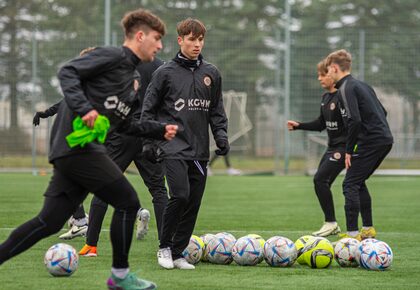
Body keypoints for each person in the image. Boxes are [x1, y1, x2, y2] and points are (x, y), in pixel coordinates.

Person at [0, 9, 177, 290]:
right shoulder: (113, 57)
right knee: (128, 201)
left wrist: (159, 130)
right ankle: (120, 277)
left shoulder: (130, 79)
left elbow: (125, 124)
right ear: (140, 36)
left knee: (49, 221)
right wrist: (83, 110)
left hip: (77, 151)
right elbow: (67, 71)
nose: (160, 46)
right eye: (157, 39)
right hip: (77, 147)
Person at [141, 18, 229, 270]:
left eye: (200, 39)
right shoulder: (164, 73)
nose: (196, 44)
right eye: (191, 39)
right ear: (180, 40)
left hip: (199, 151)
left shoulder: (211, 73)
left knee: (193, 201)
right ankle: (164, 248)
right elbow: (148, 110)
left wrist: (221, 135)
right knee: (179, 194)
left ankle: (178, 253)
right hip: (172, 147)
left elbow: (216, 110)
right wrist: (149, 142)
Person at [78, 57, 168, 257]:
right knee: (159, 189)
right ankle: (165, 245)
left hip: (124, 134)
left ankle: (91, 245)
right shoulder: (162, 66)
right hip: (148, 132)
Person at [326, 49, 393, 241]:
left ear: (334, 68)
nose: (328, 74)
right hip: (384, 139)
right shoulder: (362, 85)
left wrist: (349, 150)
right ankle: (368, 229)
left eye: (328, 70)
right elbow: (383, 112)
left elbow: (354, 120)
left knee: (350, 183)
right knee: (358, 180)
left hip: (372, 141)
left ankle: (352, 236)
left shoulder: (345, 88)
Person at [287, 59, 346, 237]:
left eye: (323, 75)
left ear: (333, 74)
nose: (319, 78)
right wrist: (299, 125)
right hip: (332, 147)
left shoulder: (344, 96)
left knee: (320, 180)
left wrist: (354, 147)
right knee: (321, 182)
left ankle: (331, 223)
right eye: (318, 75)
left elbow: (354, 122)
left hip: (344, 148)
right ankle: (333, 224)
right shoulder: (325, 97)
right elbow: (321, 124)